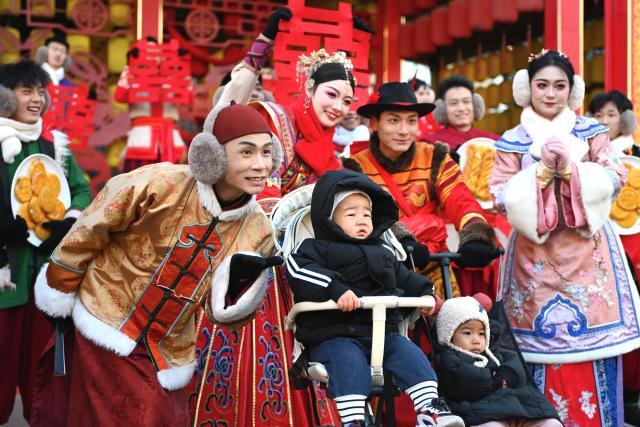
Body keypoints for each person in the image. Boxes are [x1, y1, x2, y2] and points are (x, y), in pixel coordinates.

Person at [32, 101, 284, 426]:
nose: (261, 165)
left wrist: (237, 291)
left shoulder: (258, 229)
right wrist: (60, 290)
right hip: (105, 317)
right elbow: (90, 229)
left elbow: (221, 315)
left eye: (267, 153)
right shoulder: (161, 182)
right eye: (247, 152)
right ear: (212, 155)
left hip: (168, 349)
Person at [190, 7, 366, 426]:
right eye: (331, 95)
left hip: (298, 269)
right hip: (245, 256)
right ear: (308, 88)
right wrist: (262, 44)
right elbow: (224, 115)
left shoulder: (334, 157)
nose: (339, 106)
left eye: (347, 100)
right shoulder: (273, 120)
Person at [490, 49, 640, 426]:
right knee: (535, 353)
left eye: (560, 85)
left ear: (573, 90)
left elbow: (615, 175)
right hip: (532, 257)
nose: (551, 93)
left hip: (589, 255)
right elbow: (499, 193)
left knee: (594, 349)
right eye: (542, 85)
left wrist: (574, 174)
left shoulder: (591, 131)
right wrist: (539, 176)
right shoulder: (513, 139)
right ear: (527, 88)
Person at [286, 169, 463, 427]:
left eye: (367, 214)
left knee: (412, 356)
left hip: (383, 333)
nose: (362, 220)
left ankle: (429, 408)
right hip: (335, 332)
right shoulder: (314, 248)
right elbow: (300, 271)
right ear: (329, 219)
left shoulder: (381, 250)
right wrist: (336, 289)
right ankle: (354, 419)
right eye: (351, 214)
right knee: (348, 363)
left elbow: (403, 277)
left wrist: (425, 292)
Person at [346, 81, 500, 299]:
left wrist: (476, 236)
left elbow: (460, 198)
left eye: (411, 121)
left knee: (450, 327)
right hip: (382, 271)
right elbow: (364, 217)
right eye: (393, 120)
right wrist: (399, 240)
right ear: (373, 123)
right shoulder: (356, 166)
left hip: (433, 263)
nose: (404, 130)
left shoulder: (434, 156)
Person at [0, 60, 92, 424]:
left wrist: (68, 221)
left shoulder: (55, 145)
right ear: (6, 97)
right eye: (27, 91)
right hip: (5, 277)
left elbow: (82, 190)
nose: (37, 99)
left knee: (40, 368)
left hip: (43, 276)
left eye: (40, 91)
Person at [589, 90, 640, 424]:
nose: (603, 121)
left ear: (624, 118)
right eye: (597, 116)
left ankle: (633, 392)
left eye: (609, 114)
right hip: (602, 247)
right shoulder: (587, 158)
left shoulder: (637, 156)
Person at [434, 294, 561, 427]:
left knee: (551, 423)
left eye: (481, 333)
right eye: (467, 333)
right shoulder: (448, 359)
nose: (476, 340)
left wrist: (509, 374)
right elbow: (464, 380)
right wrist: (495, 382)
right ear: (448, 335)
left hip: (518, 410)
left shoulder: (494, 353)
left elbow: (516, 364)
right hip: (481, 413)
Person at [114, 37, 193, 172]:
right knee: (138, 181)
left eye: (153, 51)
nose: (150, 56)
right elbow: (120, 96)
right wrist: (129, 66)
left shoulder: (172, 75)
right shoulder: (133, 76)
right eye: (145, 52)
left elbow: (189, 97)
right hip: (142, 137)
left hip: (169, 138)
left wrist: (182, 64)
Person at [423, 75, 499, 158]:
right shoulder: (430, 144)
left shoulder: (493, 141)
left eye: (466, 101)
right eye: (453, 103)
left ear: (475, 104)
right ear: (442, 109)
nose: (461, 108)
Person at [588, 90, 640, 157]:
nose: (604, 121)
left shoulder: (637, 156)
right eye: (599, 115)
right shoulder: (582, 154)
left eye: (611, 115)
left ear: (626, 119)